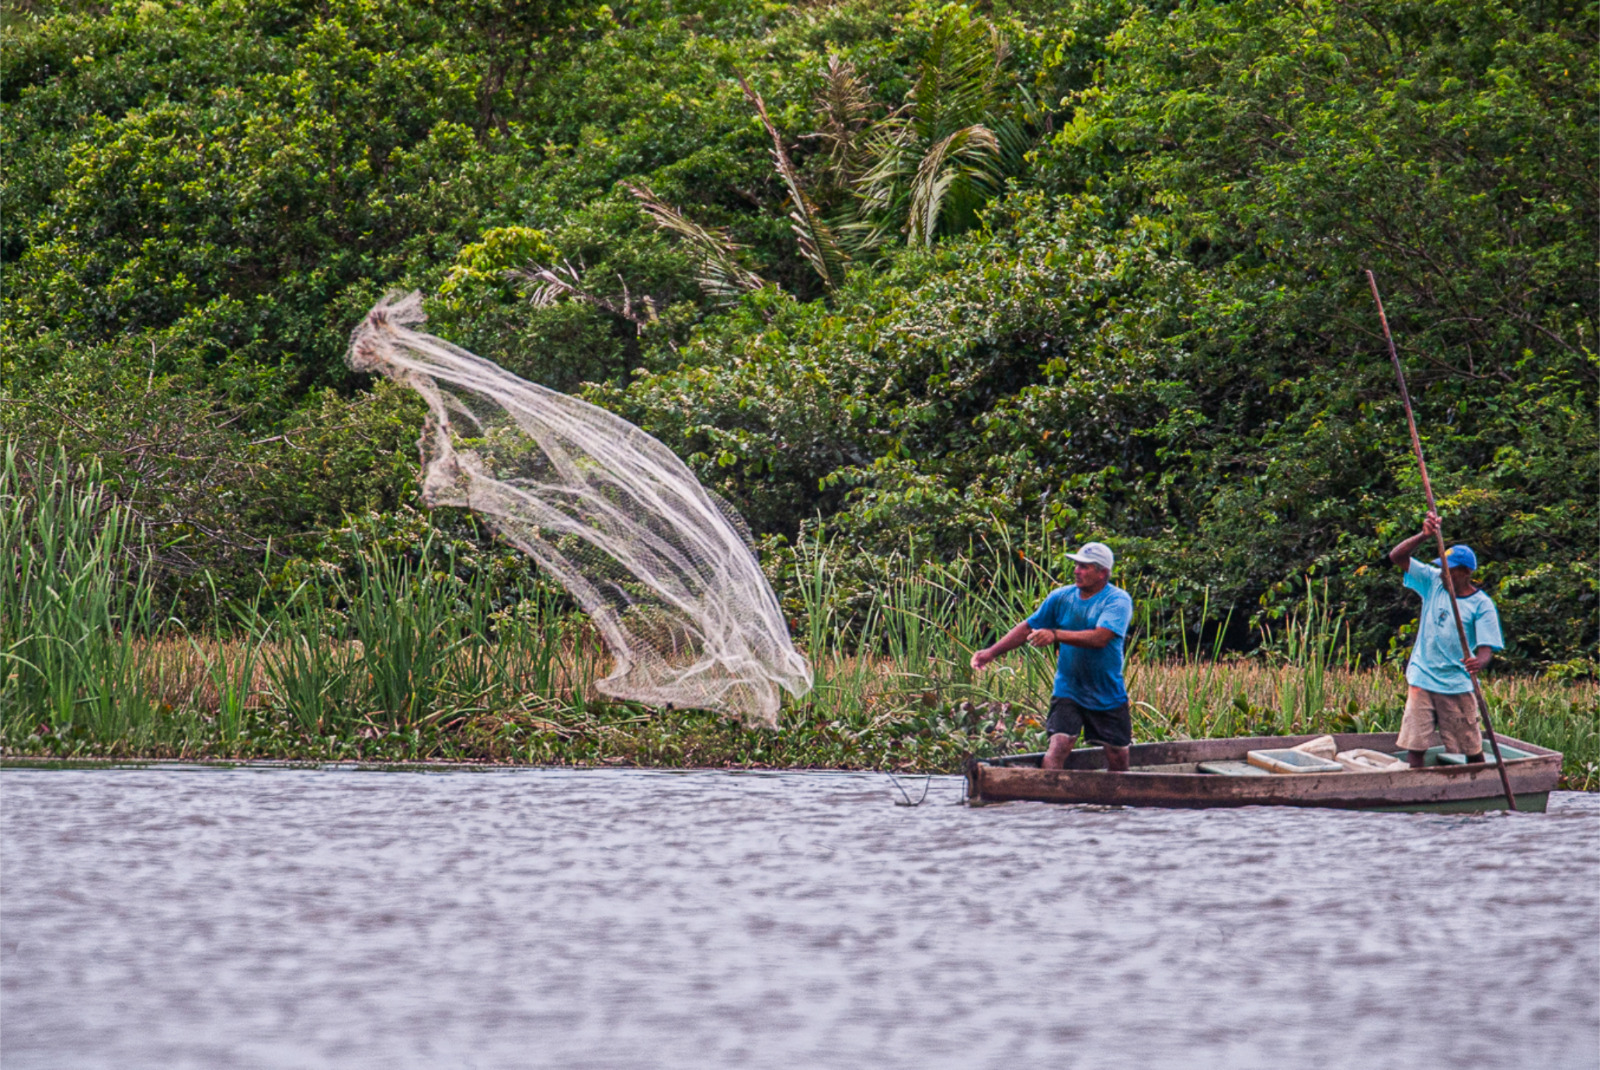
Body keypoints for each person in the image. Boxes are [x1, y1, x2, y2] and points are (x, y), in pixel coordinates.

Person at [970, 542, 1135, 771]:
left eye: (1084, 567)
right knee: (1060, 744)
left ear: (1102, 573)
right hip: (1069, 688)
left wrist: (1055, 634)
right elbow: (1028, 627)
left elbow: (1101, 638)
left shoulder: (1117, 601)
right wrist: (990, 652)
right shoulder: (1061, 597)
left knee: (1117, 754)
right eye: (1077, 565)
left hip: (1106, 690)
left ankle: (1118, 791)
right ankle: (1048, 791)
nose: (1077, 571)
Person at [1388, 510, 1504, 768]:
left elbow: (1486, 649)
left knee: (1470, 747)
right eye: (1442, 567)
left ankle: (1479, 782)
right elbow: (1397, 557)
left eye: (1449, 570)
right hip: (1423, 676)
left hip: (1456, 683)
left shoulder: (1481, 605)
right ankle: (1416, 787)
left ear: (1465, 572)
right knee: (1415, 746)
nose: (1443, 573)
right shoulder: (1433, 582)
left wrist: (1478, 662)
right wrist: (1424, 535)